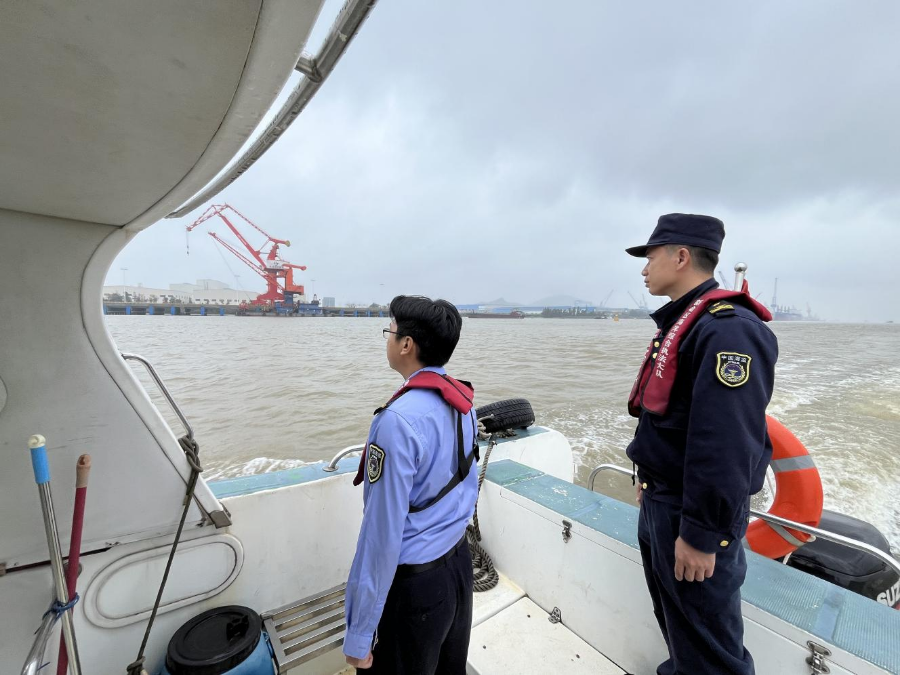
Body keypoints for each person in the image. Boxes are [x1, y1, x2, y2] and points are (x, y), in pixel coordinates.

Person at [624, 214, 778, 675]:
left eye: (650, 257)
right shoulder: (684, 322)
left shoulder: (727, 330)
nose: (644, 269)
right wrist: (647, 480)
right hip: (662, 500)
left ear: (681, 257)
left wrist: (701, 533)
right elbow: (670, 420)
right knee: (678, 629)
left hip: (690, 515)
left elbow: (726, 442)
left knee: (710, 651)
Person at [344, 295, 479, 674]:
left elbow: (380, 534)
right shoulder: (462, 401)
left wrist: (359, 635)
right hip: (459, 565)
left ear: (406, 344)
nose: (387, 339)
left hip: (417, 587)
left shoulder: (396, 422)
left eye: (389, 332)